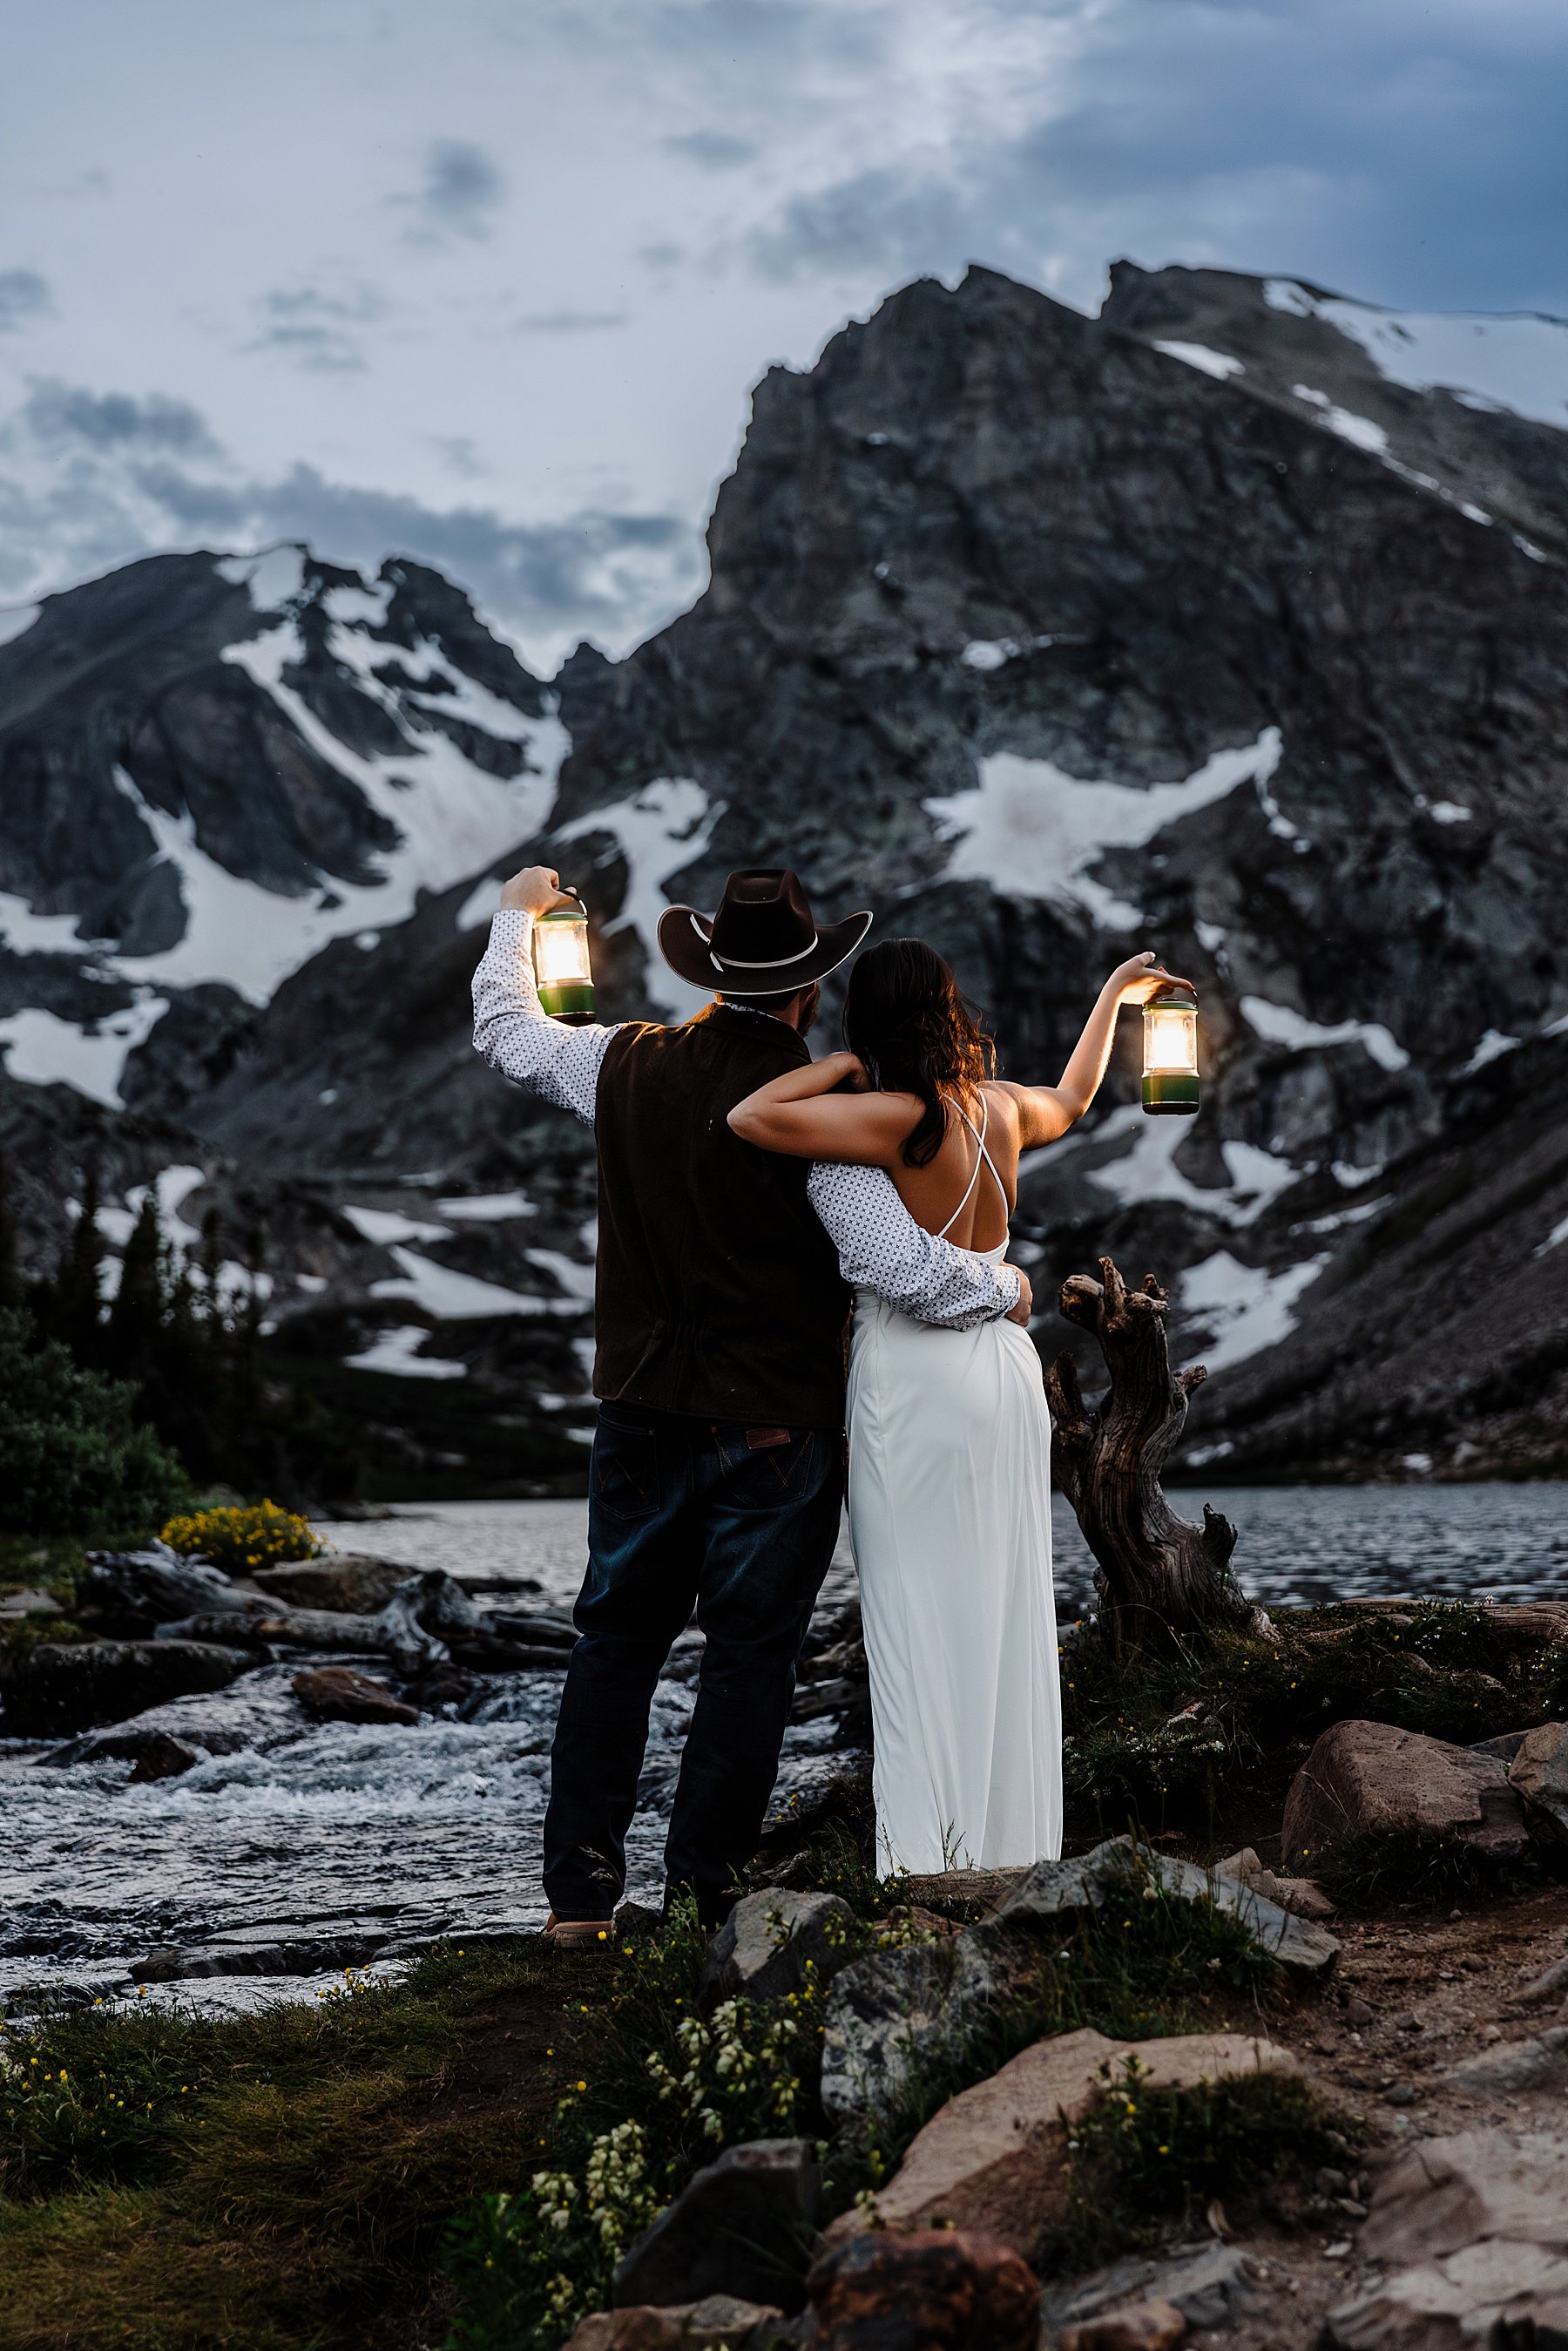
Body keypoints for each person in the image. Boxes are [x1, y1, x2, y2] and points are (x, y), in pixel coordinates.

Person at [472, 864, 1033, 1943]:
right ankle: (704, 1897)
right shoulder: (820, 1113)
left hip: (637, 1408)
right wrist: (1006, 1287)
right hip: (776, 1425)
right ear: (810, 988)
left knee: (614, 1644)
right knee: (748, 1660)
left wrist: (516, 911)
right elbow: (902, 1268)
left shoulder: (623, 1063)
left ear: (715, 972)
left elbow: (508, 1028)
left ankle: (579, 1903)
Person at [728, 935, 1188, 1875]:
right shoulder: (999, 1109)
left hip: (917, 1378)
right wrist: (1113, 996)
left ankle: (928, 1858)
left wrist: (837, 1067)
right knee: (1004, 1610)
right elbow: (1074, 1095)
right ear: (949, 1010)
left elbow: (751, 1116)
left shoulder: (889, 1117)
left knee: (915, 1621)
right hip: (1005, 1373)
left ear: (871, 1020)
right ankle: (1013, 1847)